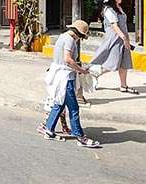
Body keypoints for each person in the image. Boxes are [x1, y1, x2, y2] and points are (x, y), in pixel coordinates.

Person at [40, 20, 102, 148]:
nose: (80, 39)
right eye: (81, 36)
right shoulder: (70, 40)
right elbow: (67, 59)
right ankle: (80, 137)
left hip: (59, 75)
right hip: (65, 78)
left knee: (59, 104)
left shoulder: (62, 37)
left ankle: (49, 130)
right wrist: (81, 70)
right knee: (74, 108)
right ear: (77, 33)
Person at [90, 0, 138, 94]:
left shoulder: (118, 8)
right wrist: (124, 38)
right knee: (113, 61)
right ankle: (95, 73)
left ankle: (123, 85)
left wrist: (126, 38)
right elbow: (114, 26)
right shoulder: (109, 10)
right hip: (116, 38)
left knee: (124, 62)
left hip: (122, 37)